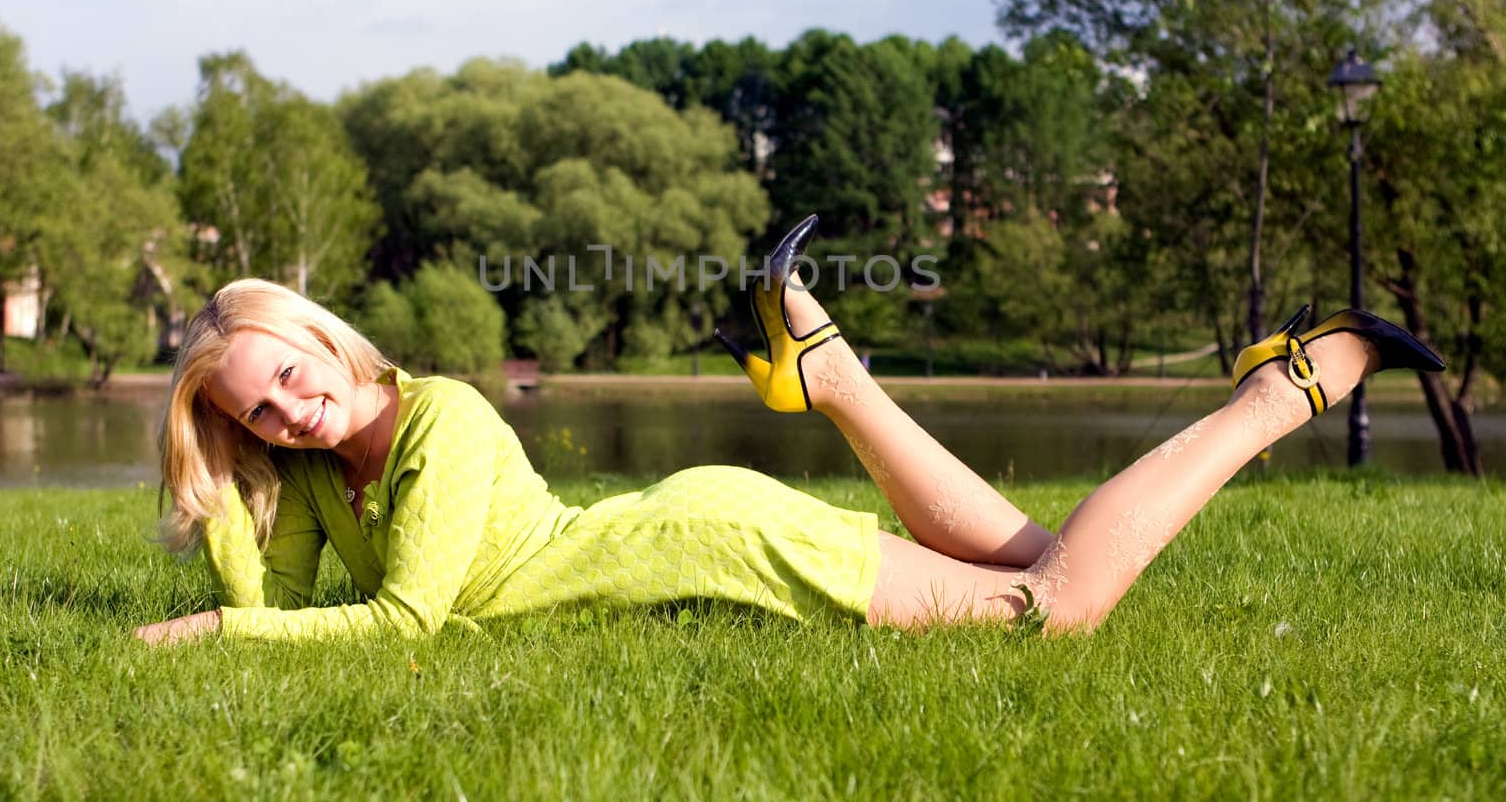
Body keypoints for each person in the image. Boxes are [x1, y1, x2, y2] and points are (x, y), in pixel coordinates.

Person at [135, 217, 1444, 644]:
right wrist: (215, 493)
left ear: (324, 340)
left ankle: (1275, 398)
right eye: (258, 410)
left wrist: (203, 631)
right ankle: (824, 369)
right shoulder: (316, 472)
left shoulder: (443, 420)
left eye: (288, 375)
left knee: (1055, 608)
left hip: (721, 547)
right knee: (1043, 559)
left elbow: (401, 625)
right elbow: (281, 610)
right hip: (682, 538)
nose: (289, 407)